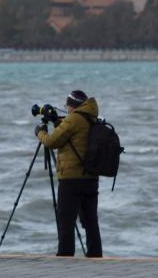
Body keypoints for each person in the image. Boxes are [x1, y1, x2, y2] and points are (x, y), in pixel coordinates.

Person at [34, 89, 103, 257]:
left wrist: (40, 133)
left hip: (71, 180)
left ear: (72, 106)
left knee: (66, 222)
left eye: (67, 106)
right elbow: (73, 135)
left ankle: (65, 259)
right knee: (90, 222)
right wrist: (57, 121)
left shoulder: (73, 120)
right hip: (91, 178)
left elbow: (52, 141)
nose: (67, 109)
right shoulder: (92, 118)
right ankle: (95, 257)